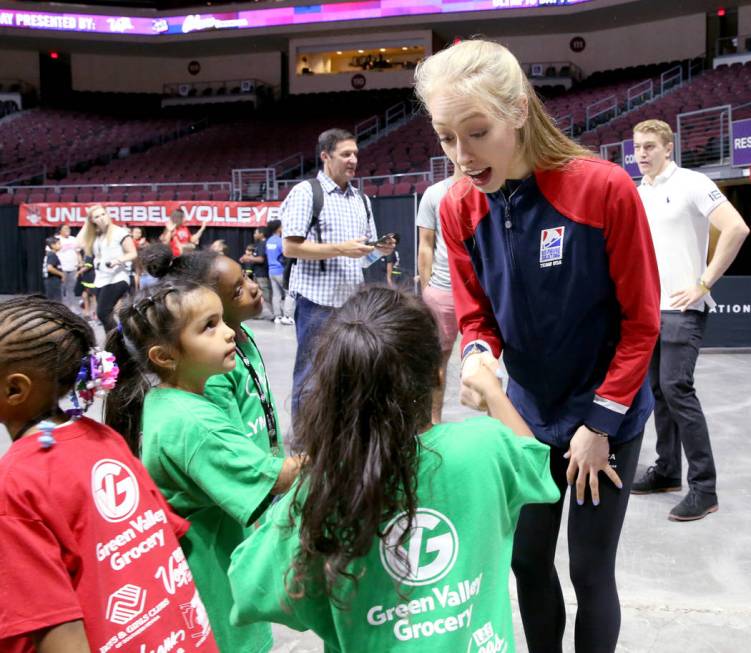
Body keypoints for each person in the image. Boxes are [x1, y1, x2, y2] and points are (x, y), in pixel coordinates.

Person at [414, 39, 660, 653]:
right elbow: (477, 317)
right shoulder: (455, 206)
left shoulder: (604, 189)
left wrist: (600, 423)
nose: (462, 156)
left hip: (606, 416)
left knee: (588, 569)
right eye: (446, 138)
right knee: (526, 562)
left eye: (476, 132)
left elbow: (642, 324)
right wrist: (477, 357)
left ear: (518, 111)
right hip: (522, 418)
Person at [228, 286, 560, 652]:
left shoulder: (325, 487)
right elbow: (534, 461)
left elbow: (251, 588)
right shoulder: (485, 447)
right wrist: (493, 391)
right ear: (437, 375)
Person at [0, 296, 218, 653]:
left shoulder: (16, 485)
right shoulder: (105, 439)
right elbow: (168, 534)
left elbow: (57, 635)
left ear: (15, 389)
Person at [104, 281, 302, 653]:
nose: (228, 332)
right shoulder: (196, 424)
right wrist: (336, 451)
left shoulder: (169, 402)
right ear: (164, 356)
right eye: (208, 326)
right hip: (212, 589)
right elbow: (278, 478)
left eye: (221, 320)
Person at [631, 119, 749, 521]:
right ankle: (667, 471)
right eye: (637, 147)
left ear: (669, 147)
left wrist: (703, 282)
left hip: (684, 308)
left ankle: (705, 488)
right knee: (658, 393)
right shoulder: (637, 192)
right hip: (648, 309)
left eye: (649, 146)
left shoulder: (694, 183)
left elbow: (736, 228)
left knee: (675, 388)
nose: (641, 154)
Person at [138, 243, 288, 464]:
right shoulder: (215, 369)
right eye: (238, 291)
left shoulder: (243, 333)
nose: (253, 287)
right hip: (251, 478)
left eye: (246, 277)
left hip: (269, 463)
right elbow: (234, 454)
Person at [281, 128, 394, 421]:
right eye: (345, 154)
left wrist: (378, 251)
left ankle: (339, 435)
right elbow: (291, 247)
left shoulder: (361, 200)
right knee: (310, 376)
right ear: (325, 157)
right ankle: (305, 444)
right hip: (315, 304)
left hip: (350, 304)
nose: (353, 159)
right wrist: (341, 249)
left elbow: (363, 257)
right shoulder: (307, 193)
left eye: (355, 153)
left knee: (348, 373)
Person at [417, 168, 464, 423]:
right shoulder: (434, 193)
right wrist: (427, 288)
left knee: (490, 360)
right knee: (437, 361)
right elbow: (425, 244)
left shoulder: (493, 189)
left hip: (483, 294)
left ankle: (497, 425)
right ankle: (435, 422)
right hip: (442, 292)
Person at [76, 204, 137, 331]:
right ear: (92, 220)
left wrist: (118, 260)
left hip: (118, 277)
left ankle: (117, 342)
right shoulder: (96, 236)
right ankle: (115, 341)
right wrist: (86, 223)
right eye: (97, 216)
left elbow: (133, 253)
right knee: (105, 315)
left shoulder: (120, 232)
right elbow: (77, 243)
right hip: (101, 279)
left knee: (102, 312)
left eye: (103, 214)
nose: (102, 218)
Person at [265, 220, 295, 325]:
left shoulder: (269, 241)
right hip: (280, 270)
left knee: (276, 294)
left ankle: (277, 316)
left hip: (271, 270)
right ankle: (287, 316)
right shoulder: (280, 241)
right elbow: (287, 254)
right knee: (289, 292)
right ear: (278, 228)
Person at [239, 229, 272, 320]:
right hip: (258, 274)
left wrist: (248, 258)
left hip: (262, 274)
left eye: (256, 233)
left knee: (265, 295)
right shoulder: (259, 244)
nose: (254, 235)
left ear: (261, 234)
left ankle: (270, 315)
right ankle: (263, 313)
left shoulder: (263, 244)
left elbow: (261, 259)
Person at [56, 224, 81, 311]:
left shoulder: (73, 239)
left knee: (71, 289)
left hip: (73, 268)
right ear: (60, 231)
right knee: (61, 290)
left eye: (69, 228)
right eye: (65, 228)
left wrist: (80, 264)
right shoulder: (56, 239)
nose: (68, 230)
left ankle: (71, 307)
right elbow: (50, 252)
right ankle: (61, 308)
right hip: (62, 269)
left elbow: (78, 253)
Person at [43, 236, 63, 302]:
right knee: (56, 301)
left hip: (51, 280)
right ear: (53, 245)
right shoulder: (52, 255)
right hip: (53, 281)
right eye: (59, 244)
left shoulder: (51, 254)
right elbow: (50, 268)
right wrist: (61, 274)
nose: (60, 245)